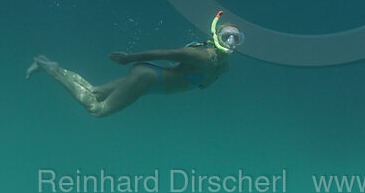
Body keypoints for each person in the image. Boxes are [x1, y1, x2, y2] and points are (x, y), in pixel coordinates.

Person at [26, 13, 244, 118]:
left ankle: (49, 65)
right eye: (227, 37)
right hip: (146, 78)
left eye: (237, 38)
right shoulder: (200, 56)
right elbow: (164, 53)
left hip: (149, 83)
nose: (232, 42)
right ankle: (50, 69)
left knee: (95, 92)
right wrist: (128, 58)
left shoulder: (223, 68)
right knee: (97, 109)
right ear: (217, 37)